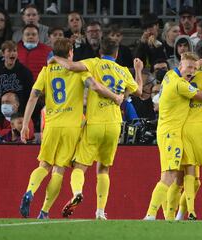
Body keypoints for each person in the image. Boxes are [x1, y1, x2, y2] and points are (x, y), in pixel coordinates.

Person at [19, 38, 123, 219]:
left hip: (51, 124)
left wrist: (25, 124)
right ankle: (44, 211)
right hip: (72, 127)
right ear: (70, 53)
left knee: (44, 165)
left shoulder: (46, 70)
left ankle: (30, 191)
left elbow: (33, 97)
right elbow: (96, 87)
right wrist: (115, 97)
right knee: (59, 169)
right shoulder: (79, 71)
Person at [51, 39, 143, 220]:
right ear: (116, 54)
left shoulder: (94, 62)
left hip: (95, 123)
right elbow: (139, 91)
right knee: (104, 169)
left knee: (80, 166)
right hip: (115, 125)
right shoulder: (123, 71)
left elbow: (71, 67)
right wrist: (138, 70)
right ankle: (100, 212)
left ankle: (77, 192)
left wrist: (55, 58)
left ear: (101, 51)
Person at [143, 52, 202, 220]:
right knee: (169, 176)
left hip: (166, 130)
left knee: (175, 178)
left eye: (194, 68)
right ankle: (150, 215)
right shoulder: (180, 85)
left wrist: (195, 64)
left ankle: (166, 217)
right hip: (172, 133)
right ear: (180, 66)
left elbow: (188, 67)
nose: (191, 71)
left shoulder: (170, 75)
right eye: (188, 68)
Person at [0, 40, 33, 125]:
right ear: (3, 53)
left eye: (14, 51)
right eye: (9, 51)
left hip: (19, 114)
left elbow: (29, 95)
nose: (12, 53)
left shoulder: (25, 72)